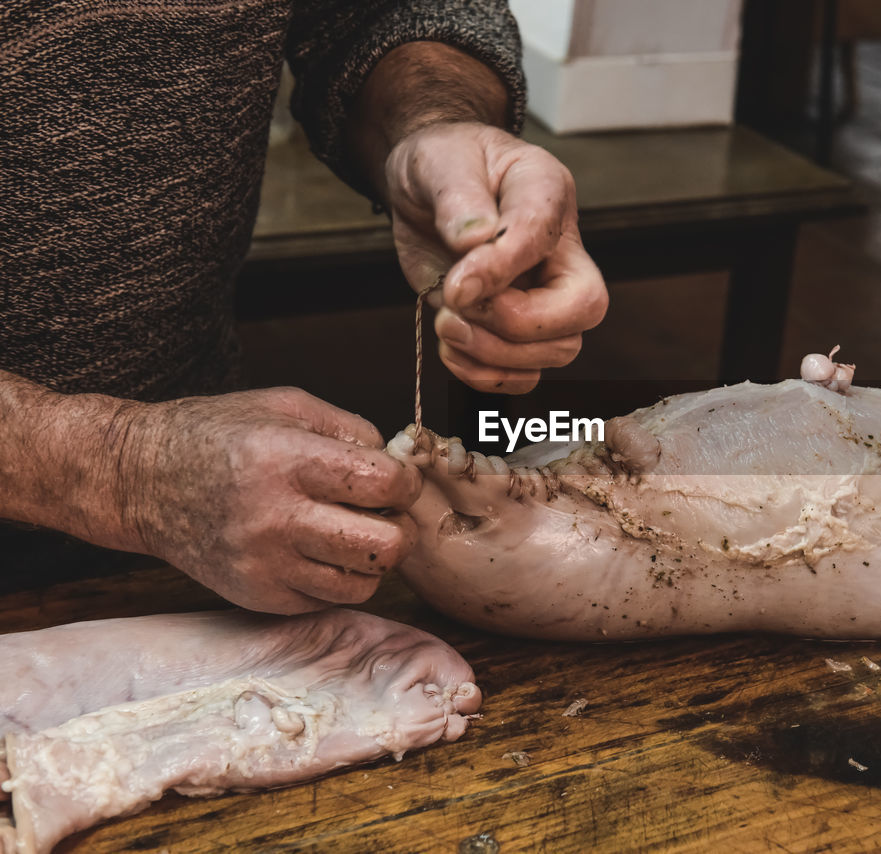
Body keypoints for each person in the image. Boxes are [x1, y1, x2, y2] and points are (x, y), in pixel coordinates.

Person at [0, 2, 608, 612]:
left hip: (216, 524)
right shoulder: (140, 477)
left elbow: (383, 12)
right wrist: (121, 471)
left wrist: (434, 121)